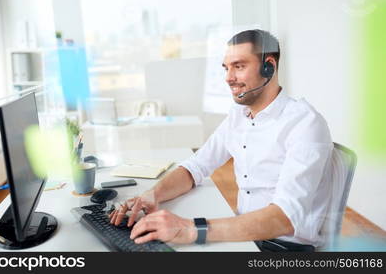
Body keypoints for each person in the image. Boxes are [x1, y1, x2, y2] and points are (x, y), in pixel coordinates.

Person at [109, 29, 333, 252]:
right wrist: (153, 195)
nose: (229, 77)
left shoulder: (305, 123)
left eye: (239, 66)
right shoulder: (239, 115)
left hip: (281, 247)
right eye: (227, 68)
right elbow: (197, 165)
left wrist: (190, 229)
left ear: (269, 66)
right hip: (244, 233)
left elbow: (284, 218)